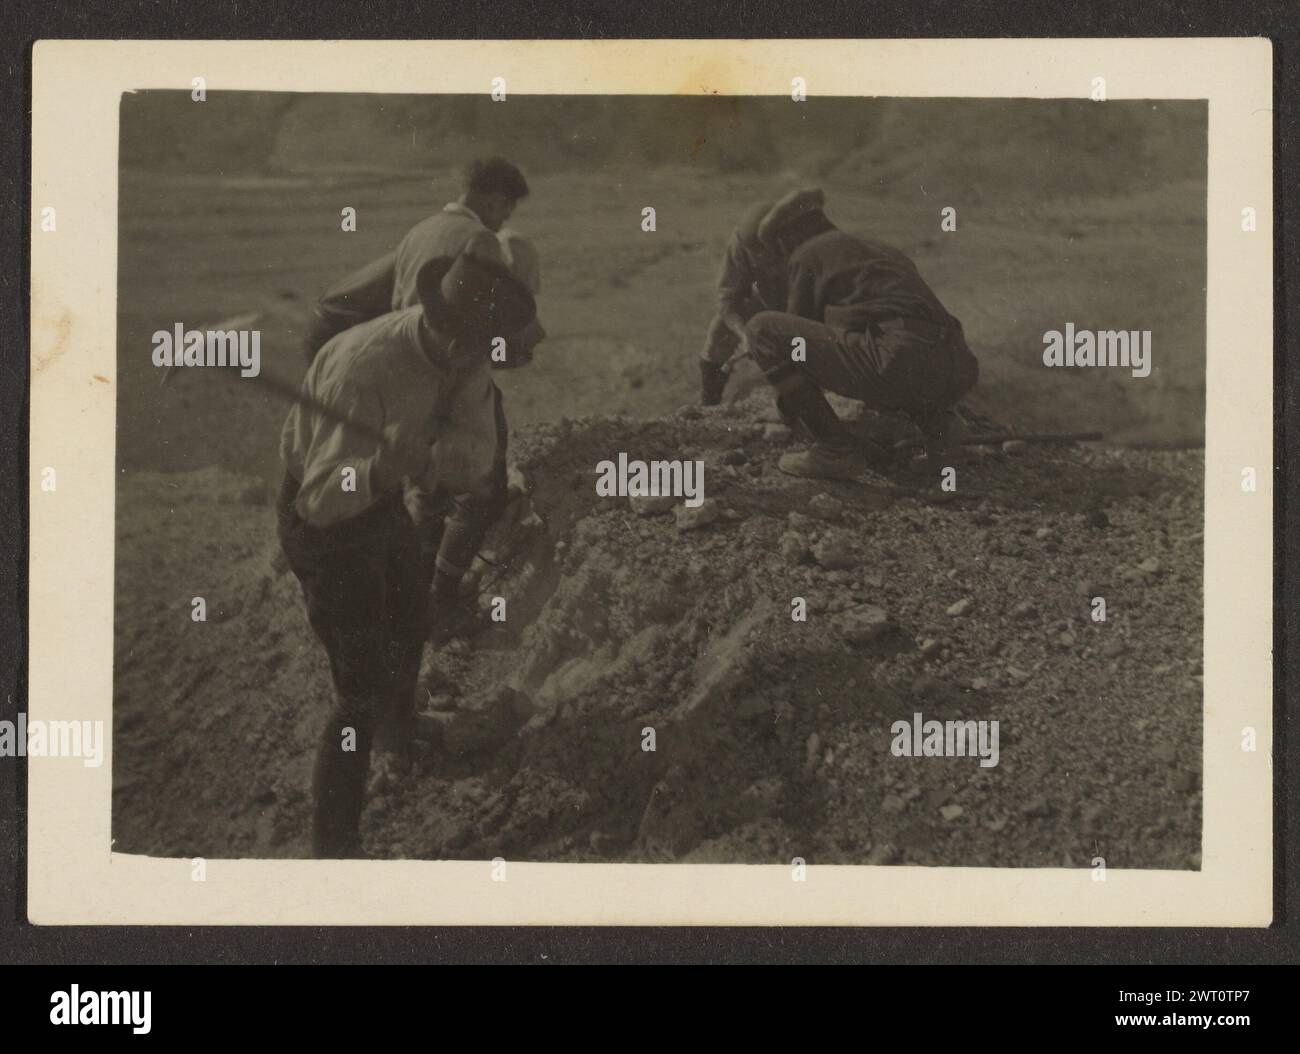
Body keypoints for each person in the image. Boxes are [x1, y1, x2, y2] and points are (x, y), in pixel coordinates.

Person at [277, 247, 536, 857]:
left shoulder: (466, 359)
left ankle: (399, 732)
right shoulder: (362, 368)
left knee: (414, 616)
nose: (488, 360)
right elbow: (319, 496)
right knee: (358, 687)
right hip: (328, 521)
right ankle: (334, 849)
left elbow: (478, 453)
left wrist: (443, 458)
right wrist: (374, 469)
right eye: (481, 348)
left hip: (384, 502)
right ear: (448, 337)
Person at [699, 188, 979, 480]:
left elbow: (796, 349)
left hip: (899, 362)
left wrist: (786, 408)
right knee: (890, 354)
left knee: (762, 329)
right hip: (959, 368)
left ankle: (835, 450)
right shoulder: (872, 248)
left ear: (784, 238)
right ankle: (944, 431)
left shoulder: (807, 256)